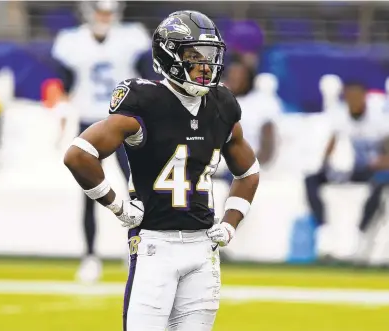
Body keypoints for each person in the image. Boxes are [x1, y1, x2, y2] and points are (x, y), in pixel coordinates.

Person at [64, 10, 259, 331]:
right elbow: (79, 154)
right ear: (169, 56)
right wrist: (116, 204)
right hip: (155, 244)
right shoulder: (146, 101)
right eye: (194, 56)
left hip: (203, 247)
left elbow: (249, 171)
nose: (205, 66)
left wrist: (230, 225)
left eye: (211, 56)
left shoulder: (222, 104)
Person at [50, 0, 150, 282]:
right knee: (90, 193)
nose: (104, 17)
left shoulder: (131, 38)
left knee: (137, 187)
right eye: (100, 11)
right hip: (88, 123)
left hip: (123, 122)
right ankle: (90, 255)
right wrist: (58, 112)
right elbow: (63, 84)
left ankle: (138, 246)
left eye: (109, 11)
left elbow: (147, 77)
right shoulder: (72, 41)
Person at [305, 81, 389, 259]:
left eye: (356, 97)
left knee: (379, 183)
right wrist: (326, 166)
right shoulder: (341, 116)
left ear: (364, 97)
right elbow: (332, 145)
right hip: (356, 169)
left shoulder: (379, 120)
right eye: (349, 97)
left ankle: (361, 236)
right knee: (311, 179)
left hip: (375, 170)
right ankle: (323, 231)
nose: (353, 101)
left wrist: (380, 162)